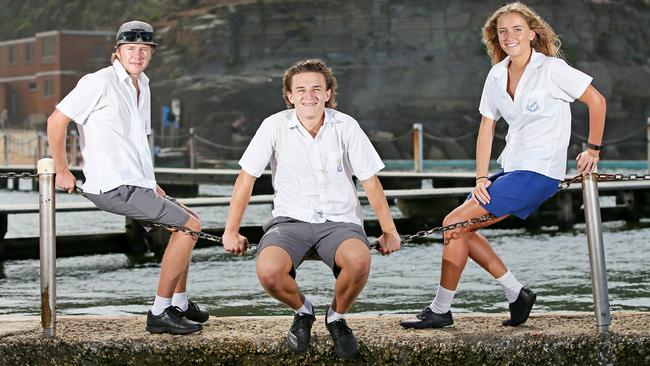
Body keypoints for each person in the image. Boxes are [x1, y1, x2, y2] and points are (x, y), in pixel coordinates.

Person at [400, 2, 606, 329]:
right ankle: (516, 293)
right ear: (496, 37)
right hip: (512, 168)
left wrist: (593, 149)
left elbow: (597, 101)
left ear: (532, 34)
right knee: (460, 229)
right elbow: (486, 127)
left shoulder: (552, 69)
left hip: (540, 172)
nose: (509, 36)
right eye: (502, 31)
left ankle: (442, 308)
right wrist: (481, 177)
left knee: (453, 222)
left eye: (517, 29)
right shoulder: (497, 74)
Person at [222, 59, 401, 359]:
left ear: (328, 93)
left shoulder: (346, 126)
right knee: (268, 272)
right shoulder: (274, 126)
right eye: (301, 89)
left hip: (340, 223)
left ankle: (336, 317)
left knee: (359, 261)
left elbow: (370, 182)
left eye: (317, 88)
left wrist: (389, 231)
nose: (310, 95)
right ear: (290, 96)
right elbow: (246, 180)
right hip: (289, 222)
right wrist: (230, 231)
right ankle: (303, 311)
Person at [47, 20, 208, 335]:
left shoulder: (143, 84)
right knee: (190, 227)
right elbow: (57, 120)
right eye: (131, 48)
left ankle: (180, 303)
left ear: (150, 53)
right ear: (117, 52)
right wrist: (62, 169)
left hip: (137, 183)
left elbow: (139, 141)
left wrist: (152, 183)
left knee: (188, 219)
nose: (138, 54)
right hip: (112, 185)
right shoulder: (99, 82)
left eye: (144, 49)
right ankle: (160, 312)